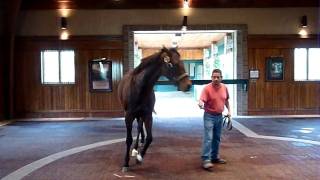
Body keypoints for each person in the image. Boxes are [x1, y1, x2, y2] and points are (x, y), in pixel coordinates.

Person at [198, 68, 231, 170]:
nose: (216, 79)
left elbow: (226, 101)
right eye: (214, 77)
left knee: (217, 138)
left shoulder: (224, 88)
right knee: (209, 137)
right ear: (211, 78)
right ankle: (206, 159)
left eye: (218, 77)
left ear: (221, 78)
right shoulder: (207, 88)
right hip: (209, 116)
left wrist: (229, 112)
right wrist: (200, 103)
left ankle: (214, 157)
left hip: (219, 116)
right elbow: (201, 100)